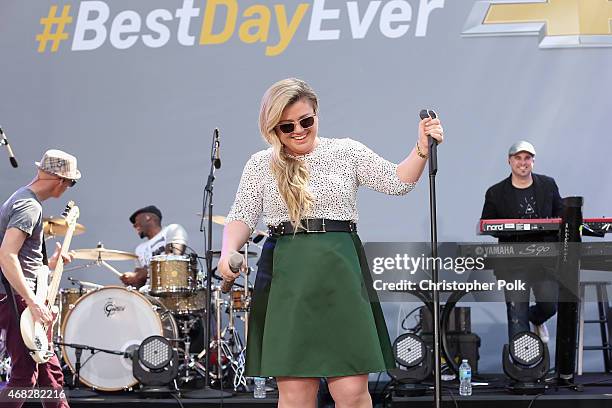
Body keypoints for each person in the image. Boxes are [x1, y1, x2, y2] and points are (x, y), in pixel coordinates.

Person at [218, 78, 443, 407]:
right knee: (296, 395)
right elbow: (242, 216)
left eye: (306, 121)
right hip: (287, 277)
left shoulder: (346, 151)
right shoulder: (260, 164)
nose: (298, 130)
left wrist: (421, 148)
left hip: (340, 271)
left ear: (317, 114)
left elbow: (397, 181)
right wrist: (228, 251)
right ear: (273, 128)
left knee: (351, 393)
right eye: (287, 126)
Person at [0, 149, 81, 408]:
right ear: (61, 181)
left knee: (48, 376)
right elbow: (7, 255)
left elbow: (22, 258)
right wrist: (32, 302)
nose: (69, 188)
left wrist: (52, 264)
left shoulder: (24, 200)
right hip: (20, 301)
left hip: (24, 299)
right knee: (25, 377)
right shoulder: (29, 206)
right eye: (71, 182)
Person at [481, 141, 562, 344]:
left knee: (550, 306)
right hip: (513, 263)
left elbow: (561, 216)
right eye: (518, 158)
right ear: (510, 161)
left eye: (527, 158)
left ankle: (536, 319)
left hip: (545, 261)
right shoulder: (495, 192)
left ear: (533, 161)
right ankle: (523, 368)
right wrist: (513, 228)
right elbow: (487, 225)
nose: (523, 163)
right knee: (517, 314)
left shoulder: (548, 185)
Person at [120, 205, 188, 289]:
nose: (134, 225)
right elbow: (139, 282)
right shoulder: (139, 249)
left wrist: (138, 275)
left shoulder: (172, 230)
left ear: (148, 217)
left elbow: (172, 260)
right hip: (148, 295)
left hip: (170, 289)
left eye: (136, 220)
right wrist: (130, 280)